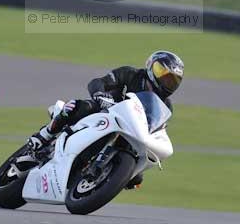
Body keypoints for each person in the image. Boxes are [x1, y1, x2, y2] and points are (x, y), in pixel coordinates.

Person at [24, 50, 184, 189]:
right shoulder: (130, 74)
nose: (166, 81)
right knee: (75, 107)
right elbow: (98, 82)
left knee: (135, 175)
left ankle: (107, 172)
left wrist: (130, 172)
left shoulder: (166, 106)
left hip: (129, 129)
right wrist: (100, 94)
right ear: (151, 66)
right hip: (104, 110)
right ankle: (45, 135)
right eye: (162, 72)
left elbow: (155, 127)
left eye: (172, 80)